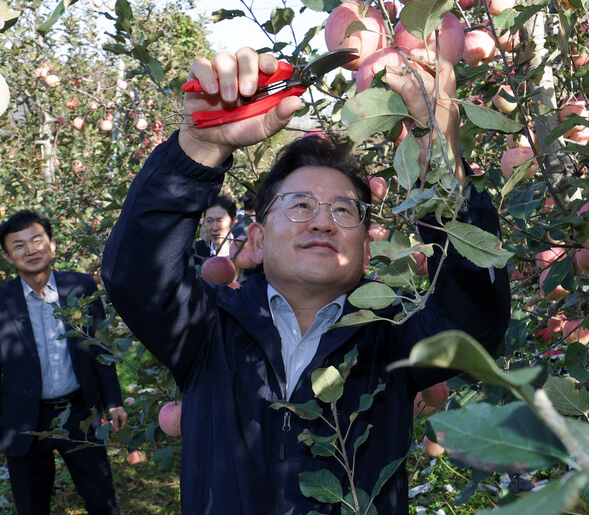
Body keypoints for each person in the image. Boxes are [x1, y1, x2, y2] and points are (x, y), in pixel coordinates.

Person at [101, 48, 510, 515]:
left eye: (343, 210)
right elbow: (136, 275)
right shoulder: (208, 330)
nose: (322, 223)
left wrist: (440, 159)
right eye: (299, 205)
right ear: (256, 237)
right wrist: (199, 149)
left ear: (366, 248)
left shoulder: (390, 336)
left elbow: (476, 318)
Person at [0, 209, 129, 515]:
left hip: (80, 413)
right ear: (7, 257)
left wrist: (112, 401)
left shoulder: (81, 287)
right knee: (32, 506)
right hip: (24, 421)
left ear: (52, 244)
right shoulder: (2, 302)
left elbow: (100, 349)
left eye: (36, 240)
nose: (30, 250)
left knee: (102, 500)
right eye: (19, 246)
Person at [192, 194, 236, 263]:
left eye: (220, 221)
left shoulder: (244, 250)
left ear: (234, 221)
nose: (214, 228)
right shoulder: (197, 251)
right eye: (209, 221)